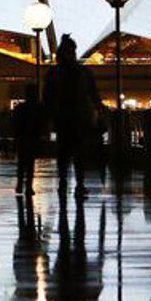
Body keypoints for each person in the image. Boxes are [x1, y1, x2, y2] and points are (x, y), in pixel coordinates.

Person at [43, 35, 102, 196]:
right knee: (79, 153)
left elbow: (47, 97)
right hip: (79, 118)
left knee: (64, 152)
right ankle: (79, 184)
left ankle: (64, 183)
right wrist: (99, 110)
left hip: (63, 118)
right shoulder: (83, 72)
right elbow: (94, 94)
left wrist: (48, 117)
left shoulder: (54, 73)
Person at [12, 83, 43, 195]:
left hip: (22, 137)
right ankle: (28, 186)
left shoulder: (20, 108)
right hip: (32, 138)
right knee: (30, 163)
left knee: (21, 162)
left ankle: (19, 185)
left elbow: (15, 124)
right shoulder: (38, 108)